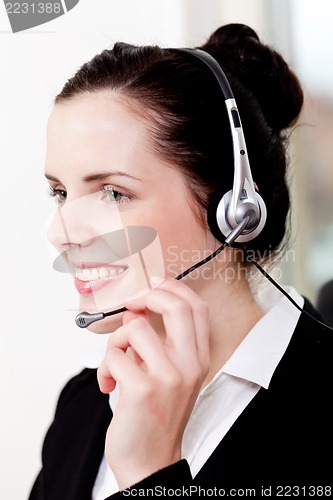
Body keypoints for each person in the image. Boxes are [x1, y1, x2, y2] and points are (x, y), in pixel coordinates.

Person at [28, 23, 333, 500]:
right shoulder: (85, 404)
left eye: (113, 193)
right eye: (61, 193)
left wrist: (150, 474)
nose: (60, 233)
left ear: (235, 208)